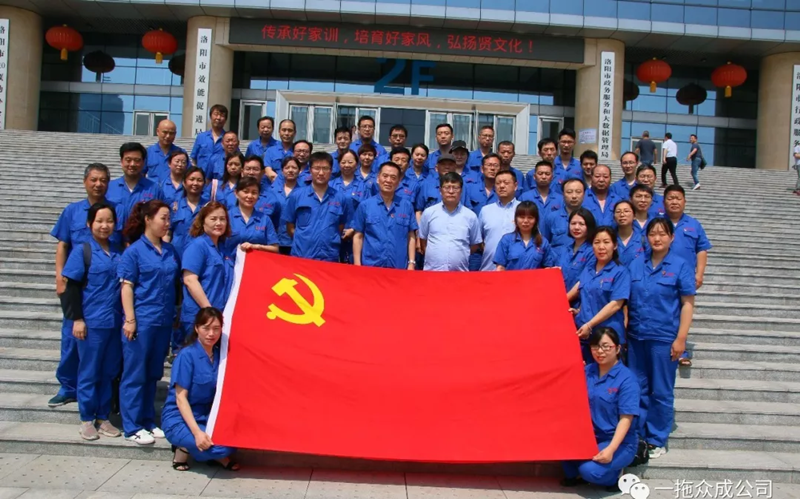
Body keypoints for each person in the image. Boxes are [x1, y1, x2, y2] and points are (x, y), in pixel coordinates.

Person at [50, 163, 122, 408]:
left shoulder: (114, 211)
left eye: (103, 180)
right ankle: (68, 387)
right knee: (72, 338)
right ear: (85, 182)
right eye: (93, 179)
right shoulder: (72, 211)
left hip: (102, 283)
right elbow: (63, 245)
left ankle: (98, 393)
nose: (98, 184)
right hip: (76, 282)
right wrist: (59, 277)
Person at [627, 218, 696, 459]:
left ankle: (657, 439)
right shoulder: (636, 264)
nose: (657, 238)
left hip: (664, 337)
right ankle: (638, 435)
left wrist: (681, 338)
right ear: (646, 237)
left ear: (672, 237)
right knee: (637, 388)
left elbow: (687, 304)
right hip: (636, 337)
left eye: (662, 234)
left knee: (661, 390)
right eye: (652, 234)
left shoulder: (680, 265)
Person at [118, 200, 180, 445]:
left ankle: (147, 420)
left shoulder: (170, 250)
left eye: (168, 219)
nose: (167, 223)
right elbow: (127, 287)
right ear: (148, 219)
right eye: (163, 218)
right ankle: (132, 426)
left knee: (153, 373)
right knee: (135, 373)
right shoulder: (134, 252)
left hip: (162, 321)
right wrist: (130, 319)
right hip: (142, 320)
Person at [59, 202, 123, 440]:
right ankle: (86, 418)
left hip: (114, 323)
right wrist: (77, 319)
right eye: (99, 221)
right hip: (91, 322)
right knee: (89, 371)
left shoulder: (118, 252)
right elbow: (72, 288)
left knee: (108, 371)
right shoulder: (82, 251)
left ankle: (103, 417)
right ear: (89, 224)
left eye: (109, 221)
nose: (104, 226)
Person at [561, 328, 639, 491]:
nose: (600, 351)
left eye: (606, 346)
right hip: (589, 437)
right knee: (566, 463)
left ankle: (614, 477)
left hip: (618, 441)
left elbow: (626, 419)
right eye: (595, 346)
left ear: (617, 349)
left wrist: (611, 449)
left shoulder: (627, 379)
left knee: (589, 471)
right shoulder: (587, 371)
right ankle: (583, 466)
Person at [163, 307, 239, 472]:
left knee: (233, 443)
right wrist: (197, 433)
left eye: (216, 328)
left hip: (207, 416)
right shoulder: (187, 355)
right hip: (180, 418)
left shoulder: (221, 355)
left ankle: (196, 449)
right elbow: (180, 398)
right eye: (206, 328)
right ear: (197, 328)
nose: (211, 333)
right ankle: (184, 448)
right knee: (217, 448)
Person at [567, 227, 631, 364]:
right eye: (597, 242)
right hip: (585, 336)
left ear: (615, 245)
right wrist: (578, 311)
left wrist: (590, 324)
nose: (601, 247)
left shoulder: (620, 272)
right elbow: (586, 295)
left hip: (607, 337)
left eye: (606, 242)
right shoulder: (588, 269)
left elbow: (615, 305)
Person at [180, 202, 234, 353]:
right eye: (213, 219)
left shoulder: (224, 249)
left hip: (218, 318)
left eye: (222, 219)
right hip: (199, 317)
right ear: (203, 221)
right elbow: (190, 280)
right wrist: (209, 312)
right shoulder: (197, 246)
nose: (219, 223)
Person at [282, 152, 353, 262]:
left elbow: (340, 227)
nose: (321, 173)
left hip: (329, 257)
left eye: (325, 168)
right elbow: (290, 227)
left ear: (331, 171)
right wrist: (304, 240)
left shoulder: (340, 198)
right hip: (301, 256)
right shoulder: (297, 196)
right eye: (317, 168)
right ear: (310, 170)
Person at [352, 162, 418, 270]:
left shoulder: (407, 206)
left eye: (393, 177)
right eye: (385, 176)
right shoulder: (365, 205)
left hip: (399, 267)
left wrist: (411, 263)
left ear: (398, 182)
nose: (388, 180)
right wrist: (357, 264)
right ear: (378, 178)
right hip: (371, 266)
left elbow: (411, 236)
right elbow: (358, 236)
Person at [419, 172, 482, 271]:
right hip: (432, 272)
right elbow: (423, 240)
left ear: (461, 191)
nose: (451, 191)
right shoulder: (428, 213)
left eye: (455, 188)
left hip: (459, 273)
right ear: (440, 190)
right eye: (447, 187)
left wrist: (460, 254)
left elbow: (474, 245)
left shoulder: (470, 216)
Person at [664, 185, 711, 291]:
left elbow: (701, 249)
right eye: (670, 198)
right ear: (663, 202)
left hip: (686, 276)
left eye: (678, 199)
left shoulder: (694, 224)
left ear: (684, 202)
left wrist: (699, 274)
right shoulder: (656, 223)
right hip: (660, 275)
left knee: (687, 301)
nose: (674, 202)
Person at [107, 142, 164, 228]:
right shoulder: (109, 187)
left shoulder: (154, 189)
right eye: (128, 160)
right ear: (121, 161)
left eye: (137, 160)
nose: (132, 164)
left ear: (143, 163)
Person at [493, 201, 555, 271]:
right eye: (522, 217)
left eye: (530, 217)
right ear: (516, 219)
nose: (525, 221)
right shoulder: (506, 240)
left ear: (536, 220)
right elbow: (500, 267)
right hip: (511, 278)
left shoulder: (543, 242)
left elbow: (547, 268)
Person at [476, 170, 519, 271]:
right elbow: (478, 240)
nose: (502, 186)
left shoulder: (523, 210)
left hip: (516, 271)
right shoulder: (486, 210)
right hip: (489, 269)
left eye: (506, 183)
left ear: (515, 186)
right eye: (498, 183)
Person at [329, 149, 366, 263]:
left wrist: (353, 228)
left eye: (350, 162)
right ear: (339, 164)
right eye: (343, 162)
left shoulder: (363, 186)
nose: (346, 165)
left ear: (357, 164)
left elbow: (365, 211)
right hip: (332, 234)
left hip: (355, 235)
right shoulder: (330, 184)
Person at [227, 177, 280, 254]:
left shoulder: (264, 219)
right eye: (246, 192)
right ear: (236, 193)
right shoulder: (226, 217)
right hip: (231, 261)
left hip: (257, 260)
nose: (250, 196)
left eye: (254, 193)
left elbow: (275, 248)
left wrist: (256, 247)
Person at [167, 166, 207, 258]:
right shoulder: (174, 207)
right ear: (184, 183)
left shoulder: (208, 207)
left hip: (201, 256)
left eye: (199, 180)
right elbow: (167, 233)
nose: (195, 183)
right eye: (191, 179)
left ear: (204, 184)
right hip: (177, 256)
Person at [556, 208, 597, 294]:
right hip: (561, 295)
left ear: (589, 226)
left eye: (581, 224)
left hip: (580, 300)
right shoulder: (564, 249)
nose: (576, 227)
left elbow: (583, 282)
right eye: (573, 223)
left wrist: (566, 298)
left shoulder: (592, 251)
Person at [541, 178, 586, 251]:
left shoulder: (591, 217)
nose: (574, 196)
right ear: (563, 194)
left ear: (584, 194)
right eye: (569, 192)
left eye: (578, 192)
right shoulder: (551, 217)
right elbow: (544, 244)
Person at [415, 153, 458, 222]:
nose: (447, 167)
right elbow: (419, 211)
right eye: (443, 164)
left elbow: (467, 209)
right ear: (436, 168)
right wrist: (420, 227)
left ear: (455, 167)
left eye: (450, 164)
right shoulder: (426, 185)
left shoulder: (461, 186)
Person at [272, 156, 302, 255]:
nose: (290, 170)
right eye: (287, 167)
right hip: (275, 240)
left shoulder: (305, 192)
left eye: (294, 168)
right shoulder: (273, 191)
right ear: (282, 171)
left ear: (299, 170)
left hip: (296, 241)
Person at [190, 105, 227, 180]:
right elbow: (193, 159)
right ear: (210, 117)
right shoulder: (201, 137)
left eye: (222, 115)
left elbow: (236, 157)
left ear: (225, 120)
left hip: (220, 181)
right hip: (202, 180)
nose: (218, 118)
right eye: (216, 114)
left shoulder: (229, 139)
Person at [614, 200, 644, 266]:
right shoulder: (610, 239)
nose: (622, 214)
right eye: (618, 212)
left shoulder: (643, 240)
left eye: (626, 211)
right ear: (614, 217)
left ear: (634, 216)